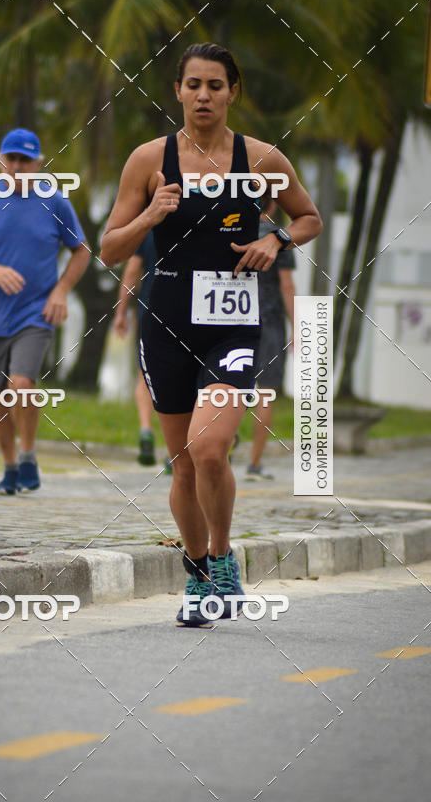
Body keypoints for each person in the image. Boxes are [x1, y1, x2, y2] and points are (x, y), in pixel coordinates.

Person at [101, 43, 322, 626]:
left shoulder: (263, 159)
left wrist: (276, 240)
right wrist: (150, 216)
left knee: (209, 449)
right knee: (181, 465)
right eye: (193, 84)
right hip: (167, 323)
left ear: (232, 92)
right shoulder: (148, 160)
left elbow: (309, 216)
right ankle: (197, 574)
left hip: (234, 325)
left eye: (215, 86)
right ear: (177, 91)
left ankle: (224, 557)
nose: (203, 95)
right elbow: (108, 248)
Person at [0, 128, 90, 494]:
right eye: (10, 159)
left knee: (22, 385)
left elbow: (82, 251)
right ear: (0, 161)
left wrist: (61, 291)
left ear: (39, 163)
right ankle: (10, 466)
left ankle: (29, 455)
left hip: (36, 313)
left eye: (24, 160)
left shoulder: (56, 203)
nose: (17, 167)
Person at [246, 200, 296, 481]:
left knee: (228, 390)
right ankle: (254, 464)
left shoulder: (234, 231)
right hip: (271, 322)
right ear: (273, 204)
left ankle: (220, 454)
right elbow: (287, 286)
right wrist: (297, 326)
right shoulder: (279, 238)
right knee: (265, 393)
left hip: (236, 321)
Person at [113, 232, 159, 466]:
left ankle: (145, 429)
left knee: (145, 375)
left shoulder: (147, 227)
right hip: (191, 315)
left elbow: (132, 272)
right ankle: (180, 449)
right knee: (187, 380)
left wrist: (121, 312)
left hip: (150, 310)